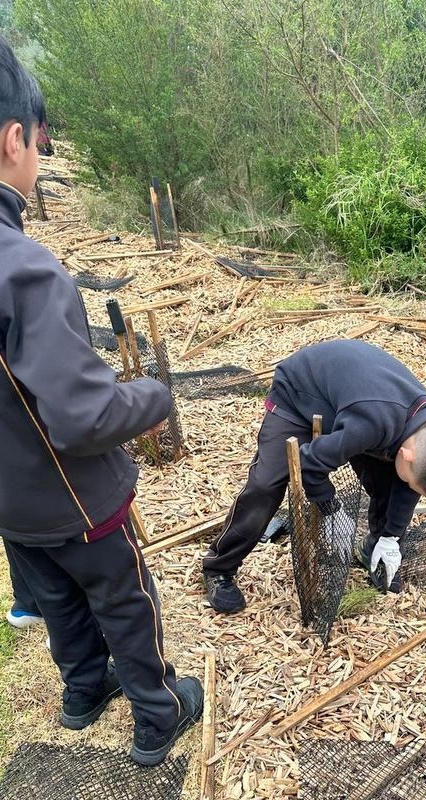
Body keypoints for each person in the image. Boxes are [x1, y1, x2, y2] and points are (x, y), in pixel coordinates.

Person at [0, 36, 202, 767]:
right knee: (123, 600)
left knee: (55, 599)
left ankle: (83, 693)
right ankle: (160, 712)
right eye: (39, 141)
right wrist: (153, 395)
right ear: (13, 138)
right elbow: (82, 417)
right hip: (75, 498)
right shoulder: (22, 268)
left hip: (11, 504)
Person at [203, 339, 426, 612]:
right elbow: (309, 463)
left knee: (391, 482)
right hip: (300, 393)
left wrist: (391, 537)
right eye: (413, 481)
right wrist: (330, 509)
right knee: (267, 485)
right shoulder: (370, 424)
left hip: (354, 404)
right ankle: (219, 566)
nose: (411, 487)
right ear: (407, 454)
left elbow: (407, 488)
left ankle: (373, 548)